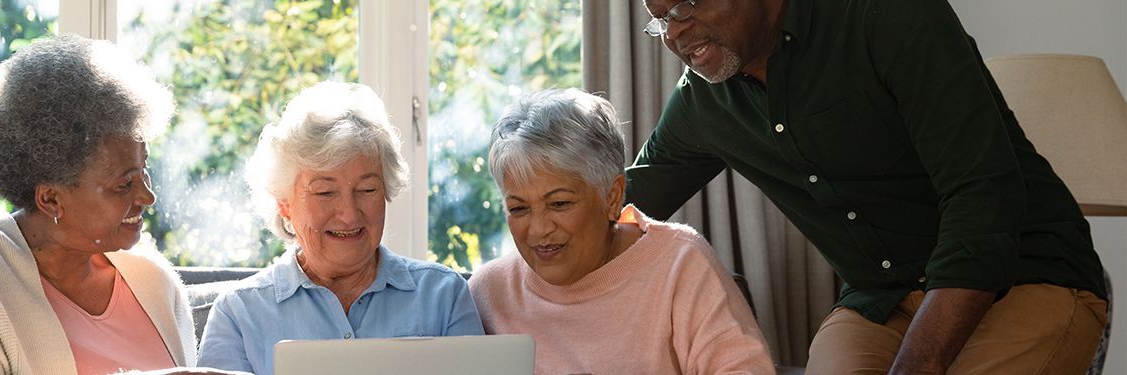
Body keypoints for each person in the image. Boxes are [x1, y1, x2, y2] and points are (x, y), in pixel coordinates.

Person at [629, 0, 1109, 373]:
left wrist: (920, 363)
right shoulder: (701, 103)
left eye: (685, 6)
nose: (673, 32)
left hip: (1028, 272)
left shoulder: (887, 17)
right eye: (659, 19)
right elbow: (624, 199)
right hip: (883, 297)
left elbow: (982, 192)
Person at [0, 34, 212, 375]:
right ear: (50, 198)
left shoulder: (153, 280)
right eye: (124, 184)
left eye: (144, 172)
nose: (147, 196)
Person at [468, 88, 774, 374]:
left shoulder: (681, 263)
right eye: (519, 208)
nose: (538, 230)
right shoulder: (488, 292)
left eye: (559, 203)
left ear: (612, 196)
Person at [196, 81, 485, 374]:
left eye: (367, 189)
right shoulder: (239, 314)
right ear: (285, 204)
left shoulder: (443, 296)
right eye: (324, 192)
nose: (348, 215)